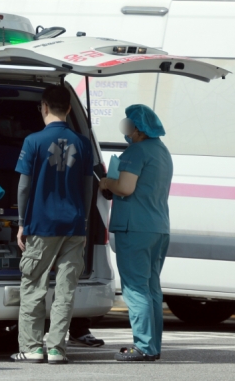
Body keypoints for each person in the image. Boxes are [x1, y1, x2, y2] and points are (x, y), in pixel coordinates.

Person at [11, 85, 93, 365]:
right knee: (65, 288)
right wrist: (83, 219)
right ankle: (57, 349)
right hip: (74, 225)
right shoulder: (82, 143)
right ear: (69, 109)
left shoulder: (33, 141)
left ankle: (32, 348)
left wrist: (22, 223)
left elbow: (24, 187)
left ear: (43, 107)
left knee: (34, 285)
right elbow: (87, 188)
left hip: (42, 225)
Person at [99, 104, 173, 362]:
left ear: (138, 129)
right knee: (152, 289)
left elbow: (126, 188)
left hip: (135, 228)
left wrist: (107, 182)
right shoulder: (162, 151)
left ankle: (143, 346)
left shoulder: (136, 151)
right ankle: (152, 346)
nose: (126, 130)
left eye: (129, 125)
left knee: (135, 289)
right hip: (159, 228)